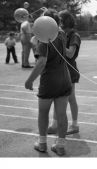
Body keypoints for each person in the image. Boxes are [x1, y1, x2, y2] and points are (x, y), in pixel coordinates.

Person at [25, 9, 72, 155]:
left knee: (43, 112)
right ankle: (60, 145)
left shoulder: (43, 41)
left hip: (49, 82)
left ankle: (42, 143)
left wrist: (29, 80)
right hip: (65, 79)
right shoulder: (62, 35)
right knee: (62, 114)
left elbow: (41, 63)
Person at [47, 10, 81, 136]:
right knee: (58, 98)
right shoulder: (60, 34)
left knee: (71, 99)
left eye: (59, 20)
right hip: (60, 70)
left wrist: (59, 43)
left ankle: (75, 125)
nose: (57, 22)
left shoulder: (73, 35)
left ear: (65, 20)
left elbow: (71, 53)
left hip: (70, 71)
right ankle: (54, 125)